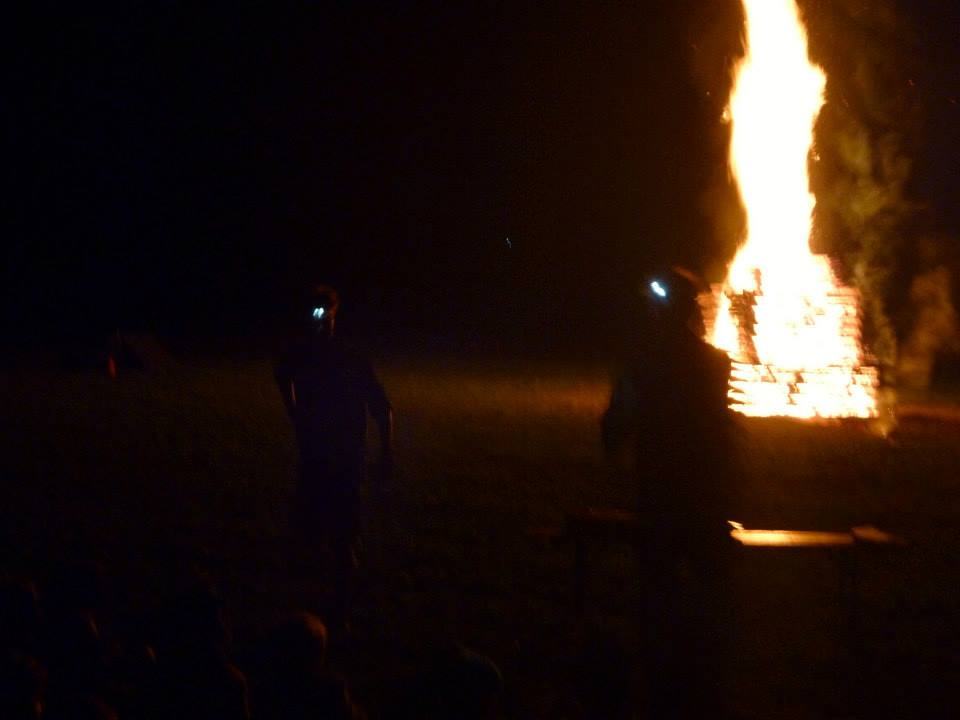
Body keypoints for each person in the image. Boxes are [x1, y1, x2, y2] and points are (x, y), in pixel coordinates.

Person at [601, 267, 735, 717]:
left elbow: (614, 430)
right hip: (705, 497)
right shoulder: (716, 363)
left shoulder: (643, 364)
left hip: (660, 495)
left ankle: (662, 676)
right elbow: (724, 435)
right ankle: (701, 678)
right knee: (706, 592)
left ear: (659, 312)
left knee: (656, 591)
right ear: (693, 312)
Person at [274, 286, 394, 630]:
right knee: (310, 534)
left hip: (343, 458)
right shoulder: (303, 353)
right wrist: (295, 412)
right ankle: (310, 608)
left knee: (340, 535)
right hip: (317, 456)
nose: (319, 318)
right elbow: (282, 375)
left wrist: (386, 453)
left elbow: (382, 408)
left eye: (324, 312)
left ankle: (336, 608)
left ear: (334, 314)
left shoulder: (349, 356)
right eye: (314, 311)